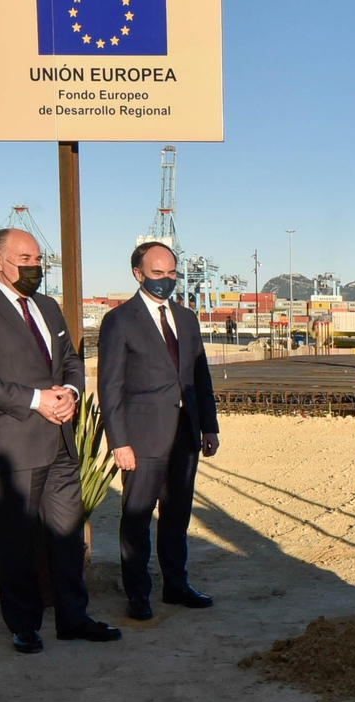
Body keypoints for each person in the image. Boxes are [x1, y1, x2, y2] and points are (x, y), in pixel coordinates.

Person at [0, 229, 121, 653]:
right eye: (25, 257)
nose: (35, 266)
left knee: (66, 533)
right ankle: (23, 624)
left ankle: (73, 617)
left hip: (60, 436)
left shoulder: (46, 306)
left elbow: (70, 360)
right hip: (13, 444)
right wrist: (36, 399)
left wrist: (71, 394)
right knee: (17, 538)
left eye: (38, 258)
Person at [98, 242, 220, 621]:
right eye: (157, 273)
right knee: (137, 516)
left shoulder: (187, 318)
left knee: (177, 514)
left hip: (185, 433)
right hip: (141, 436)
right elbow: (110, 387)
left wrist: (210, 426)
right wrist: (119, 441)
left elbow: (200, 376)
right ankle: (138, 594)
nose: (166, 280)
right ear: (138, 274)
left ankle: (176, 585)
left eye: (171, 273)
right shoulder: (119, 321)